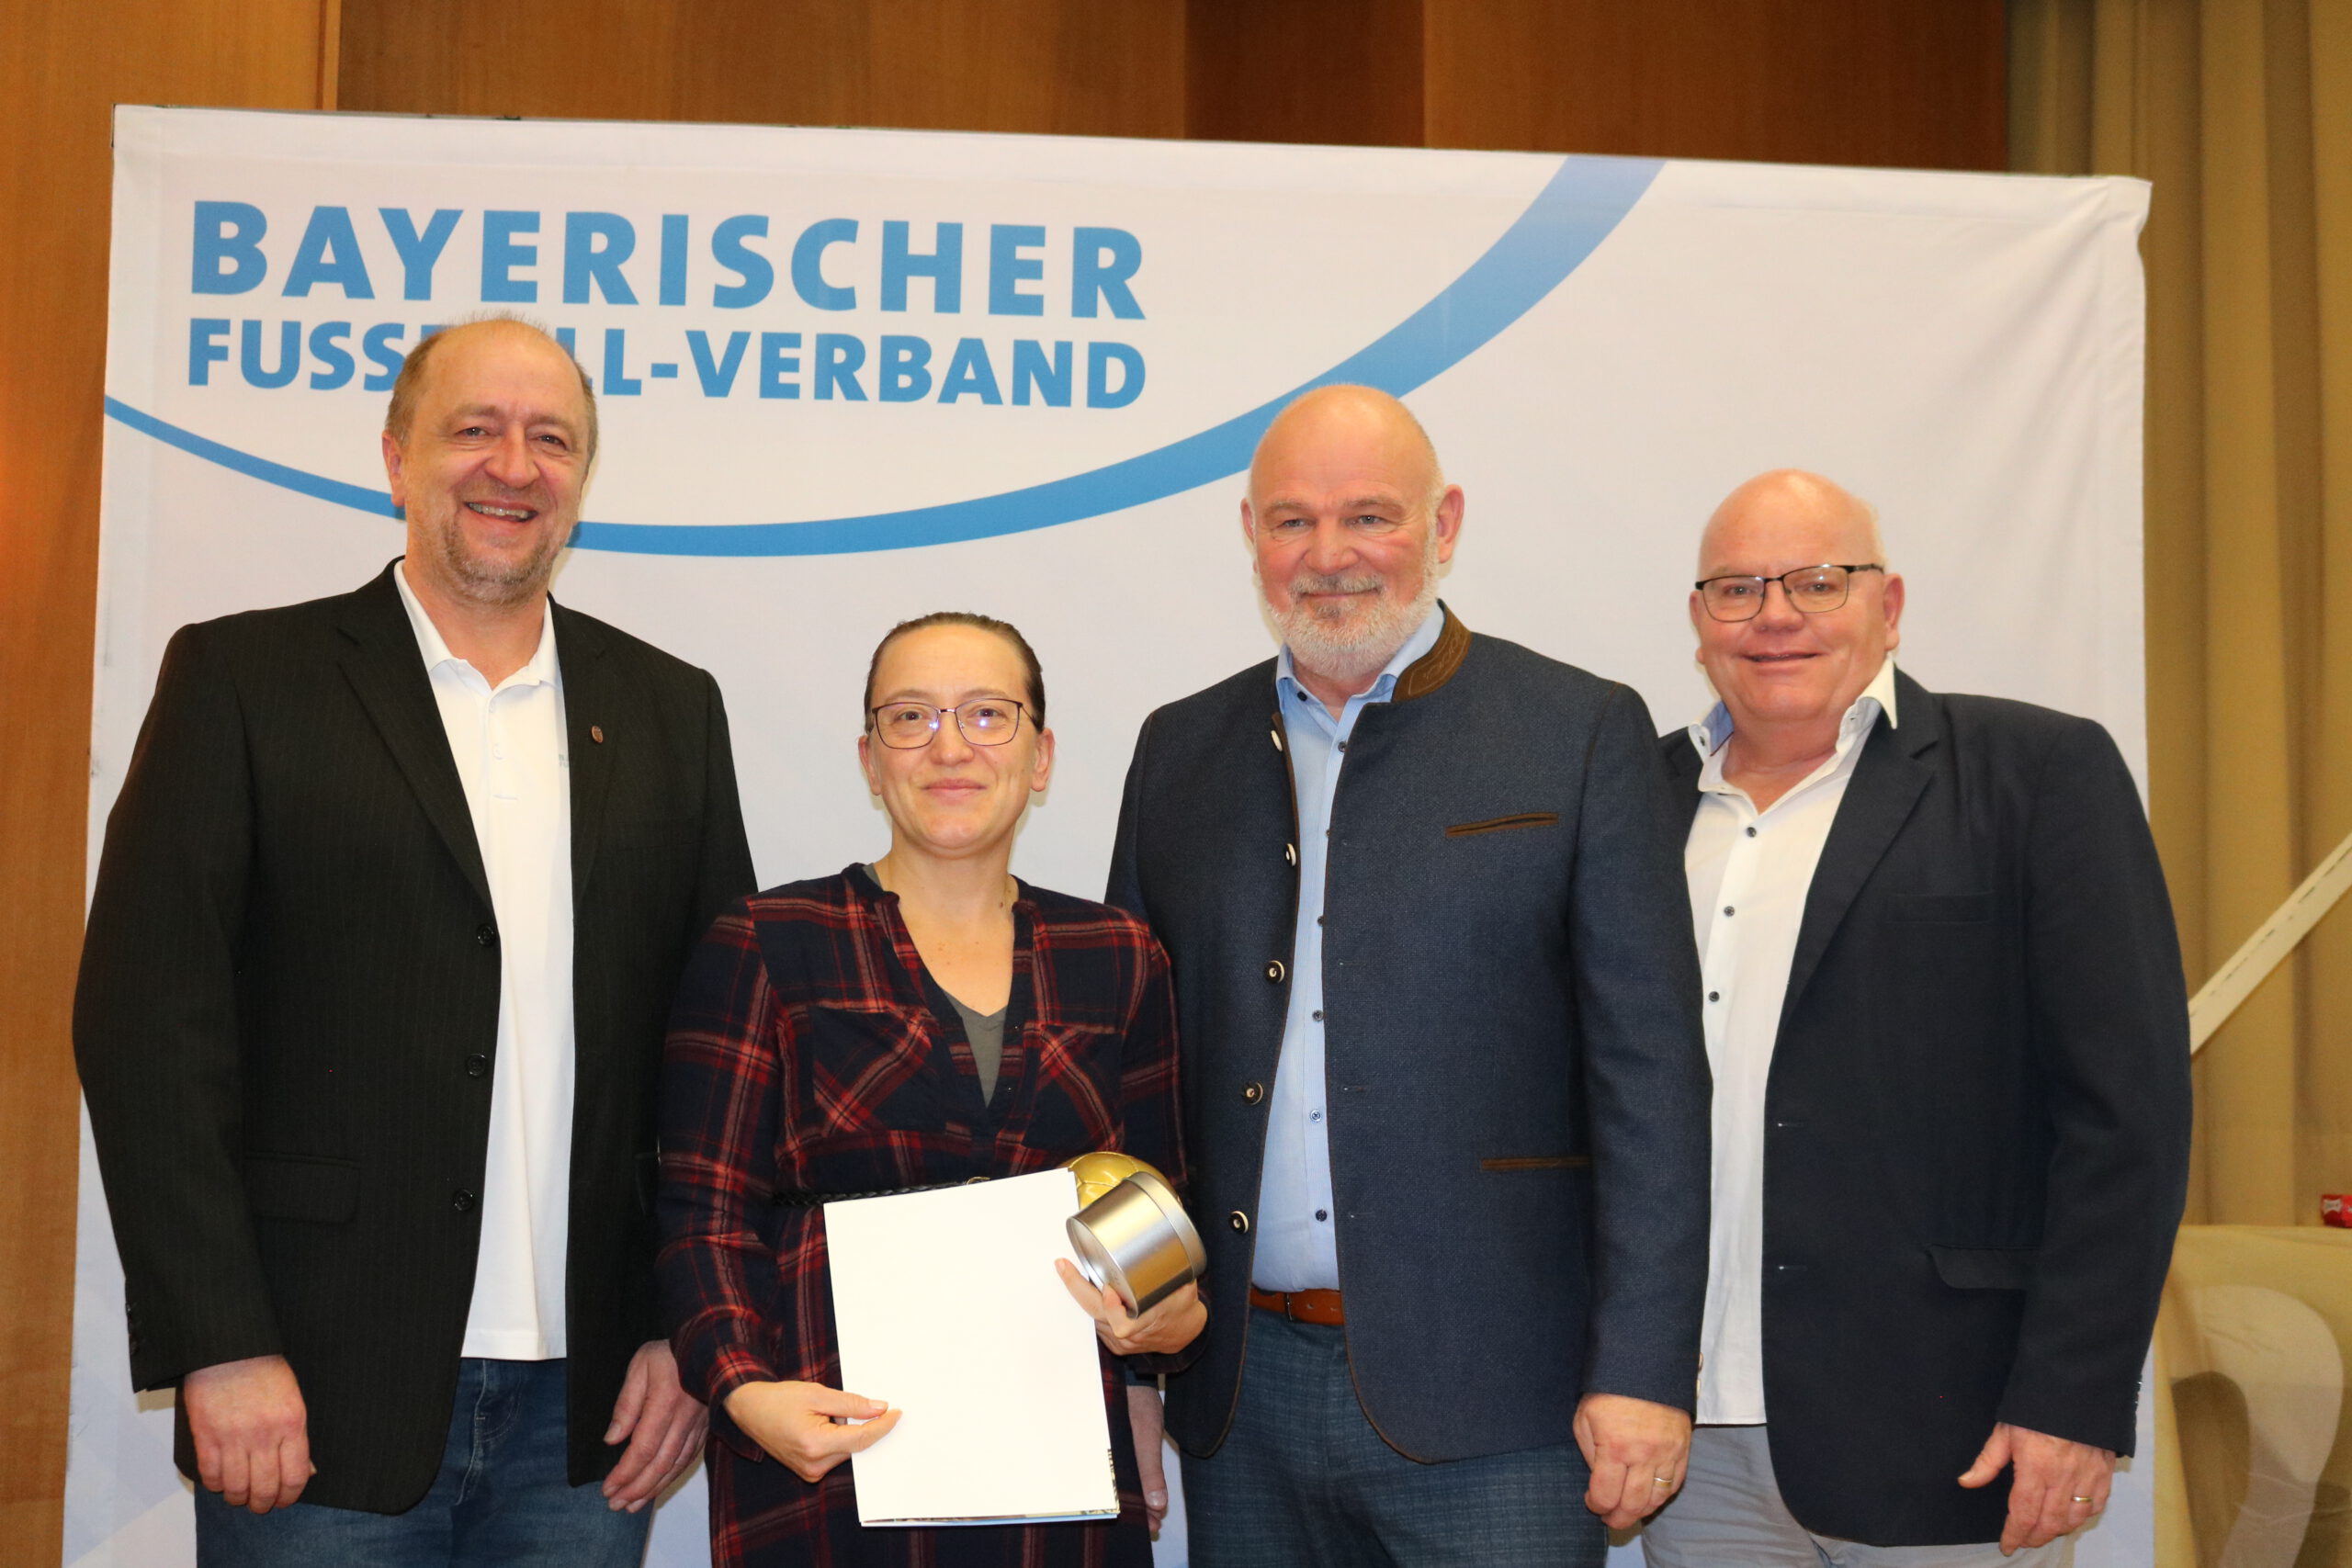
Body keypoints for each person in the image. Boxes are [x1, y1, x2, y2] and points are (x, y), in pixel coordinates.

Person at [74, 316, 757, 1564]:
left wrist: (690, 1328)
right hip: (311, 1387)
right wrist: (219, 1338)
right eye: (473, 429)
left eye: (552, 438)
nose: (514, 465)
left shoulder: (672, 708)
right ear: (396, 460)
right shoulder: (245, 679)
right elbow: (145, 1030)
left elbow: (720, 1063)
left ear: (582, 478)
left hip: (591, 1411)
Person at [1104, 384, 1713, 1566]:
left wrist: (1644, 1370)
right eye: (1293, 521)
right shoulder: (1180, 749)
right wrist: (1128, 1364)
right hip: (1240, 1403)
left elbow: (1649, 1085)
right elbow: (1135, 1081)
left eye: (1369, 516)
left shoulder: (1579, 732)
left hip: (1504, 1410)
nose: (1329, 555)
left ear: (1445, 525)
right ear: (1250, 535)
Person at [1640, 470, 2192, 1565]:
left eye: (1817, 581)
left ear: (1887, 606)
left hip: (1952, 1432)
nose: (1776, 615)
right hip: (1687, 1443)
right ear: (1700, 624)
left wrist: (2072, 1398)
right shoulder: (1634, 800)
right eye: (1738, 589)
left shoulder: (2036, 774)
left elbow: (2126, 1116)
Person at [657, 611, 1204, 1568]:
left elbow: (1155, 1211)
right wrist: (743, 1390)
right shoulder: (768, 943)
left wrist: (1173, 1317)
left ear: (1040, 756)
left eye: (988, 714)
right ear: (870, 760)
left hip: (1058, 1471)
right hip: (828, 1457)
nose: (950, 746)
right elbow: (703, 1213)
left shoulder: (1118, 956)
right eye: (911, 717)